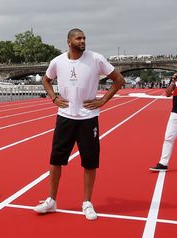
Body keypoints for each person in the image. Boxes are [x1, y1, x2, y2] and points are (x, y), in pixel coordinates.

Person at [35, 28, 125, 219]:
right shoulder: (57, 61)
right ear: (69, 41)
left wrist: (102, 101)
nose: (83, 41)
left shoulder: (96, 59)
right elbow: (46, 79)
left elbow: (119, 80)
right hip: (65, 116)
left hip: (87, 118)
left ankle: (87, 203)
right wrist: (53, 98)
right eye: (79, 38)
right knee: (55, 160)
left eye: (84, 38)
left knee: (89, 162)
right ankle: (51, 200)